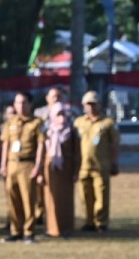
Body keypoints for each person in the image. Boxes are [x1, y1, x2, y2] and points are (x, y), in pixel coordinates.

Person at [0, 91, 45, 243]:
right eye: (17, 102)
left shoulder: (37, 122)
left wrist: (38, 166)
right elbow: (6, 144)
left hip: (27, 163)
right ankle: (15, 230)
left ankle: (28, 232)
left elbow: (41, 145)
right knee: (12, 199)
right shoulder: (10, 123)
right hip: (12, 163)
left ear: (30, 104)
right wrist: (3, 164)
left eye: (24, 102)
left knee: (28, 199)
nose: (20, 106)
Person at [74, 90, 121, 233]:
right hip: (83, 167)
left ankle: (101, 222)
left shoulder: (108, 123)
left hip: (101, 166)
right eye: (88, 104)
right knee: (85, 196)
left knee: (101, 196)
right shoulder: (79, 122)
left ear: (99, 105)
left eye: (94, 104)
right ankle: (89, 221)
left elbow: (114, 145)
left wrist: (114, 162)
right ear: (83, 105)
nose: (91, 107)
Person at [41, 102, 78, 239]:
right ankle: (52, 228)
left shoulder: (71, 131)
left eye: (63, 114)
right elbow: (42, 150)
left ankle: (66, 228)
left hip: (66, 169)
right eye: (58, 114)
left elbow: (76, 153)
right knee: (50, 199)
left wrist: (75, 171)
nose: (61, 118)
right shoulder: (48, 131)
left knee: (65, 200)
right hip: (50, 168)